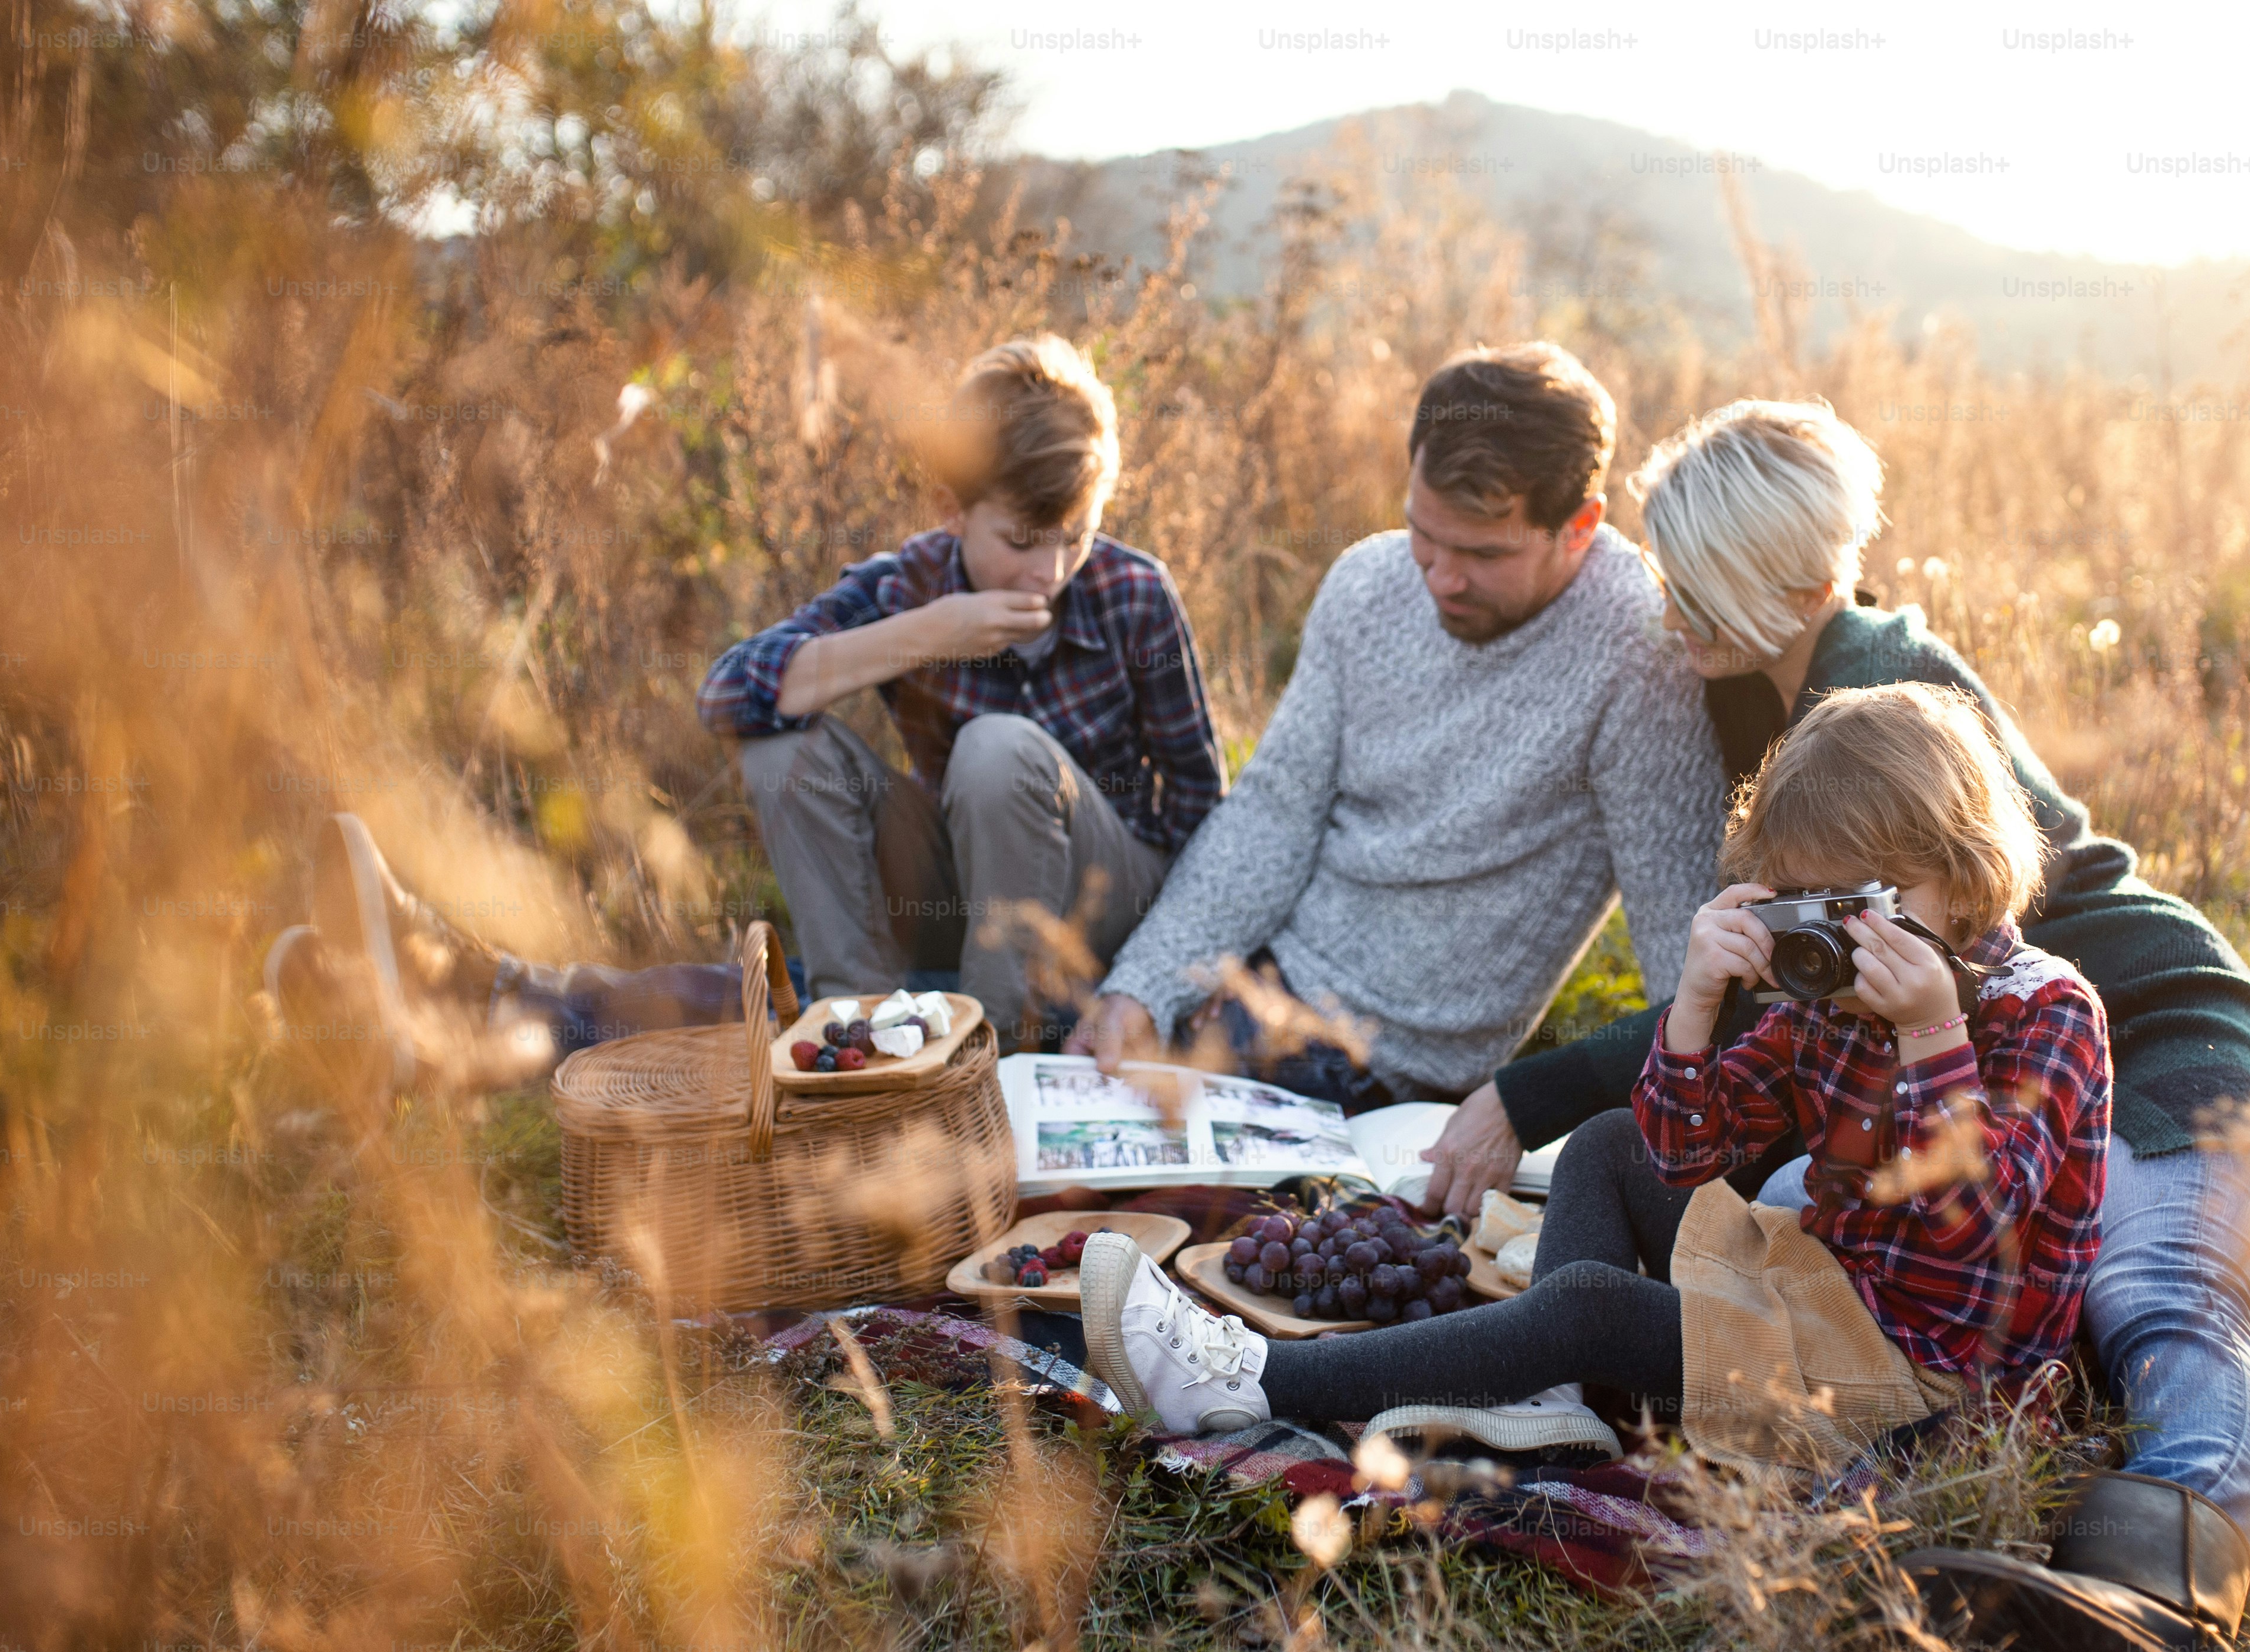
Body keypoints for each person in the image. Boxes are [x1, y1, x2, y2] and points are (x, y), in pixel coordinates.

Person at [1412, 399, 2250, 1651]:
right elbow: (1767, 1024)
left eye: (1696, 583)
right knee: (1805, 1204)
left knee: (2153, 1296)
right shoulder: (1770, 690)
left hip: (2166, 1046)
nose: (1667, 609)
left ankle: (2156, 1589)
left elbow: (1755, 995)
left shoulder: (1876, 695)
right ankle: (1727, 1409)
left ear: (1783, 586)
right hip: (1967, 1069)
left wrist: (1530, 1090)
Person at [1075, 682, 2111, 1476]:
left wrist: (1933, 1037)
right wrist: (1699, 1006)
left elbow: (1975, 1226)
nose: (1834, 935)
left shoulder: (2044, 1013)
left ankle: (1248, 1382)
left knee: (1589, 1302)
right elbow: (1683, 1151)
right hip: (1832, 1288)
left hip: (1929, 1383)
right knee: (1611, 1142)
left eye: (1863, 900)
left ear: (1964, 874)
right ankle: (1551, 1405)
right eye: (1808, 900)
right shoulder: (1836, 999)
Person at [264, 335, 1223, 1086]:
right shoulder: (911, 586)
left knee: (997, 751)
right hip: (956, 906)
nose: (1051, 573)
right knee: (782, 756)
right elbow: (729, 695)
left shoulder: (1134, 595)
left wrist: (1144, 981)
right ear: (948, 507)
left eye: (1075, 538)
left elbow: (1203, 825)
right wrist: (929, 631)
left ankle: (991, 1072)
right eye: (1021, 540)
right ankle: (854, 1039)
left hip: (1103, 908)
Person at [1065, 342, 1724, 1111]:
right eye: (1424, 533)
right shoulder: (1365, 584)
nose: (1440, 577)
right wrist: (1147, 986)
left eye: (1482, 553)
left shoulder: (1641, 655)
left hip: (1383, 1072)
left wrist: (1549, 1108)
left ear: (1579, 526)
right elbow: (1274, 812)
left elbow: (1682, 955)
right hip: (1249, 982)